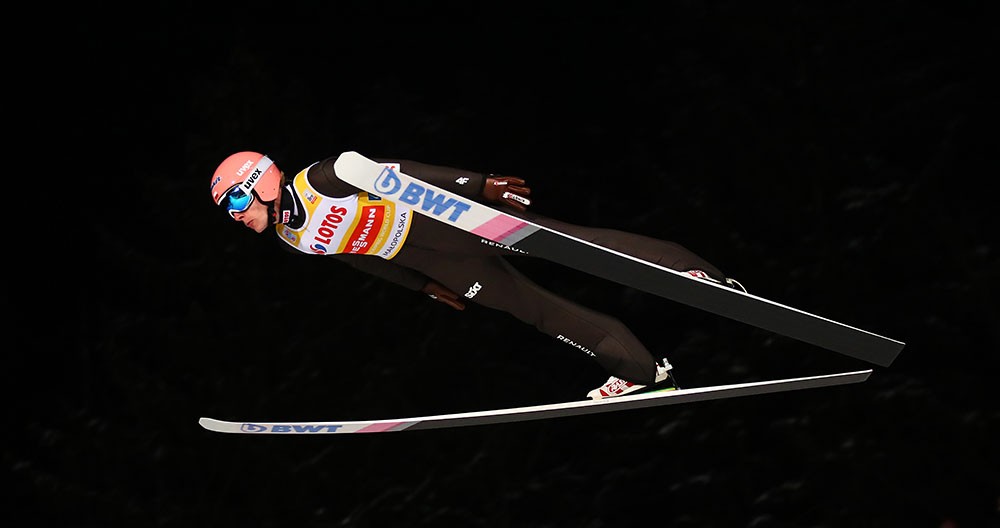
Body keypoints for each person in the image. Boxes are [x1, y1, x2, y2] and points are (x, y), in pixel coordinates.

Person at [209, 151, 746, 399]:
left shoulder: (325, 178)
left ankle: (696, 274)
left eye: (235, 200)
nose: (235, 216)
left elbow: (406, 174)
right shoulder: (291, 237)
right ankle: (641, 370)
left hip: (446, 223)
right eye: (227, 210)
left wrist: (478, 185)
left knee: (574, 245)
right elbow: (359, 257)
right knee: (534, 310)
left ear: (262, 183)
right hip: (433, 261)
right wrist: (423, 286)